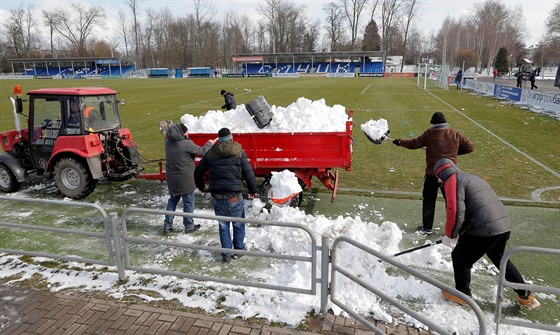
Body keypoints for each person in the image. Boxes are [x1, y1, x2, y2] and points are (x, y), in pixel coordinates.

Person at [433, 158, 540, 310]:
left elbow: (455, 211)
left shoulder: (453, 181)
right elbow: (475, 207)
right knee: (499, 258)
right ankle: (526, 295)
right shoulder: (471, 178)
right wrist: (459, 232)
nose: (438, 180)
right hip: (502, 226)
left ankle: (462, 294)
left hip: (485, 229)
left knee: (460, 258)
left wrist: (450, 235)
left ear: (442, 173)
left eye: (437, 176)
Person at [392, 112, 474, 235]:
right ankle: (456, 229)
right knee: (452, 202)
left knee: (429, 200)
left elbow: (413, 144)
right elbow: (470, 147)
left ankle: (427, 228)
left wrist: (400, 141)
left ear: (434, 123)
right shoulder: (455, 133)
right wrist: (454, 153)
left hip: (432, 174)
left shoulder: (430, 134)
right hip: (450, 175)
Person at [194, 127, 258, 263]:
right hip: (234, 196)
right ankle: (238, 250)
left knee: (223, 225)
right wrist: (252, 191)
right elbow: (249, 173)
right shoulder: (239, 152)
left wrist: (202, 187)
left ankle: (226, 254)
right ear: (231, 138)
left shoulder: (210, 153)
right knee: (238, 224)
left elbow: (197, 172)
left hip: (218, 196)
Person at [163, 123, 214, 234]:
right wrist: (210, 143)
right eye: (186, 132)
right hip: (185, 179)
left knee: (172, 201)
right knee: (188, 203)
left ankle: (167, 225)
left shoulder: (167, 143)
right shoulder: (186, 144)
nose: (187, 133)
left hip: (172, 179)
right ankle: (189, 226)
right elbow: (203, 151)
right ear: (181, 133)